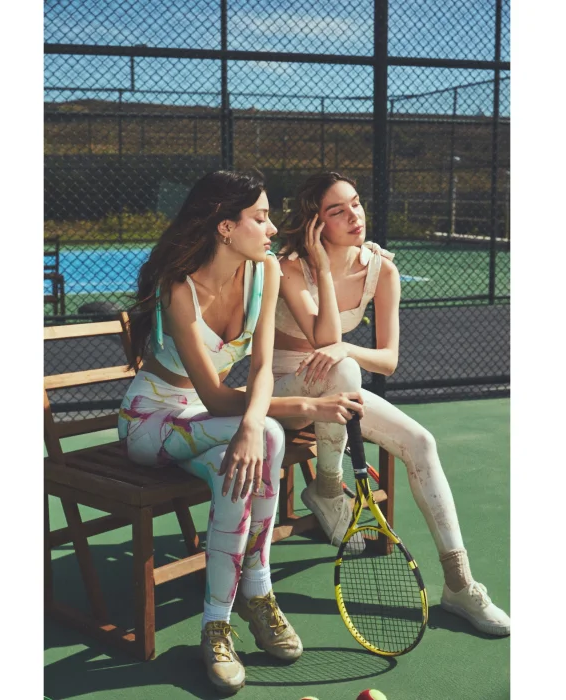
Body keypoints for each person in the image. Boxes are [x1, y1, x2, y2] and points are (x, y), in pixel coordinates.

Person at [118, 171, 364, 693]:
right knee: (268, 436)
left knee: (248, 458)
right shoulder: (178, 288)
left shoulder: (265, 271)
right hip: (152, 422)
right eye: (260, 217)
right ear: (225, 227)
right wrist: (304, 406)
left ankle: (219, 623)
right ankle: (256, 590)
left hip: (210, 426)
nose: (273, 229)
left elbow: (260, 369)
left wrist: (252, 421)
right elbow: (213, 396)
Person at [271, 171, 510, 636]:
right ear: (315, 222)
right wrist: (322, 268)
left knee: (421, 441)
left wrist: (347, 349)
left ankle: (460, 583)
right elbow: (323, 339)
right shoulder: (291, 267)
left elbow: (388, 359)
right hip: (286, 389)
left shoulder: (382, 270)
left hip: (342, 384)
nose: (354, 216)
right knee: (344, 369)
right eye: (337, 211)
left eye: (355, 203)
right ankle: (328, 487)